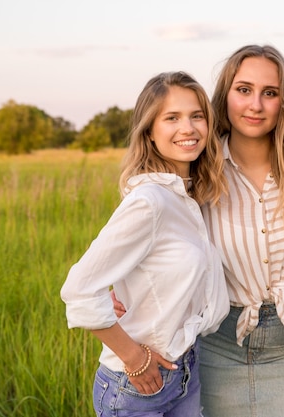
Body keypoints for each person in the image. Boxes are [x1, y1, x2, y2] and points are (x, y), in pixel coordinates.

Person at [60, 71, 230, 417]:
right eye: (172, 118)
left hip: (185, 371)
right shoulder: (150, 201)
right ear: (150, 132)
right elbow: (78, 289)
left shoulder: (188, 198)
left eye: (197, 115)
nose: (189, 128)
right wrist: (135, 359)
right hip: (137, 386)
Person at [198, 44, 284, 417]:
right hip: (217, 340)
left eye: (269, 93)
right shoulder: (199, 166)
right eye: (244, 90)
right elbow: (147, 213)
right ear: (225, 95)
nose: (255, 105)